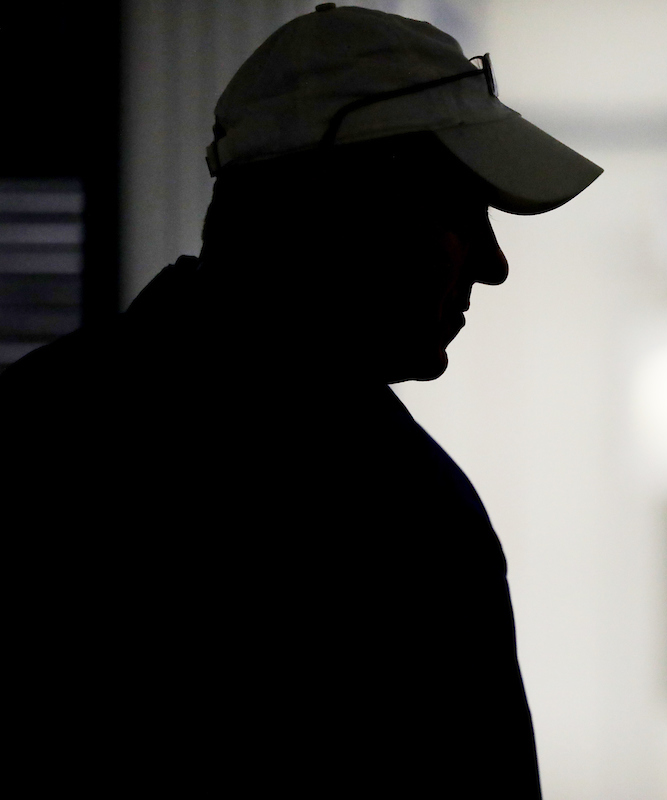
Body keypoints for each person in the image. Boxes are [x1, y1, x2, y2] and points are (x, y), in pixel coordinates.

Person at [0, 5, 600, 795]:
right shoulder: (406, 524)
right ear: (349, 211)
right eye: (461, 214)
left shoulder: (28, 429)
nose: (492, 266)